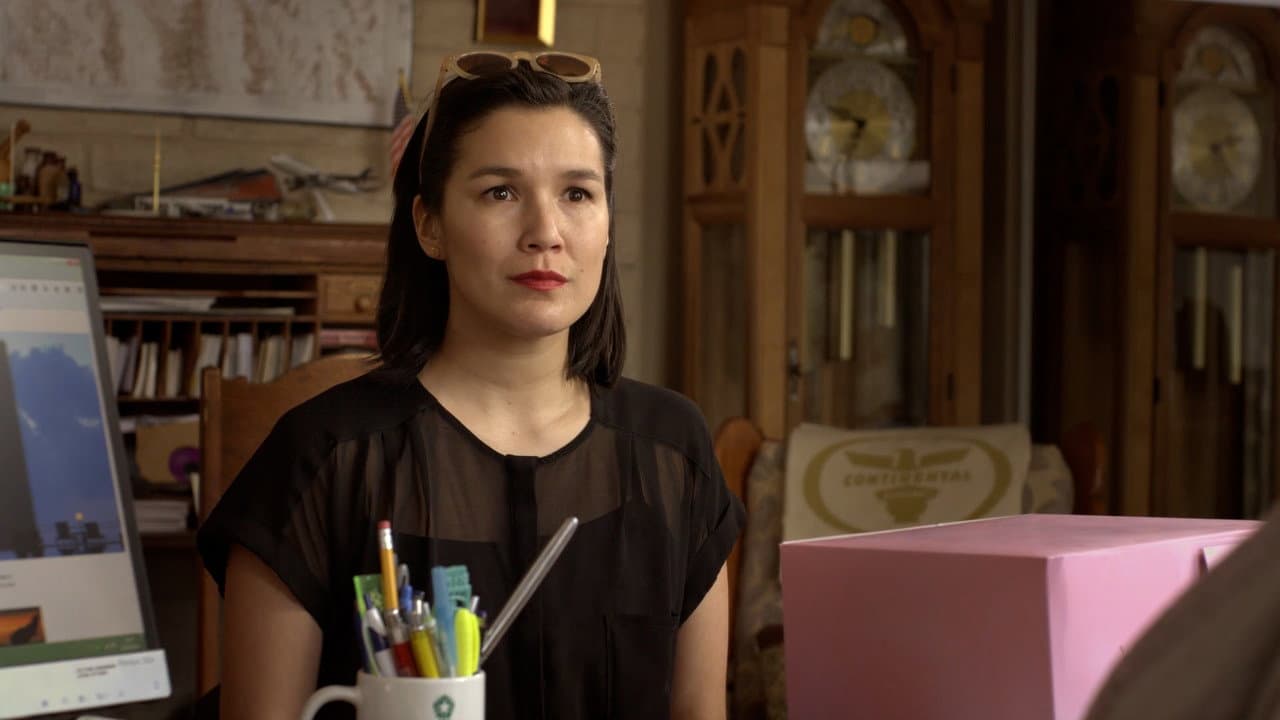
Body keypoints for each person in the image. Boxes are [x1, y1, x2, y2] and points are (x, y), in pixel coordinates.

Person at [197, 50, 745, 720]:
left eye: (577, 194)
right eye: (500, 193)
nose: (545, 233)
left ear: (608, 225)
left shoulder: (674, 451)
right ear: (429, 225)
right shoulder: (323, 456)